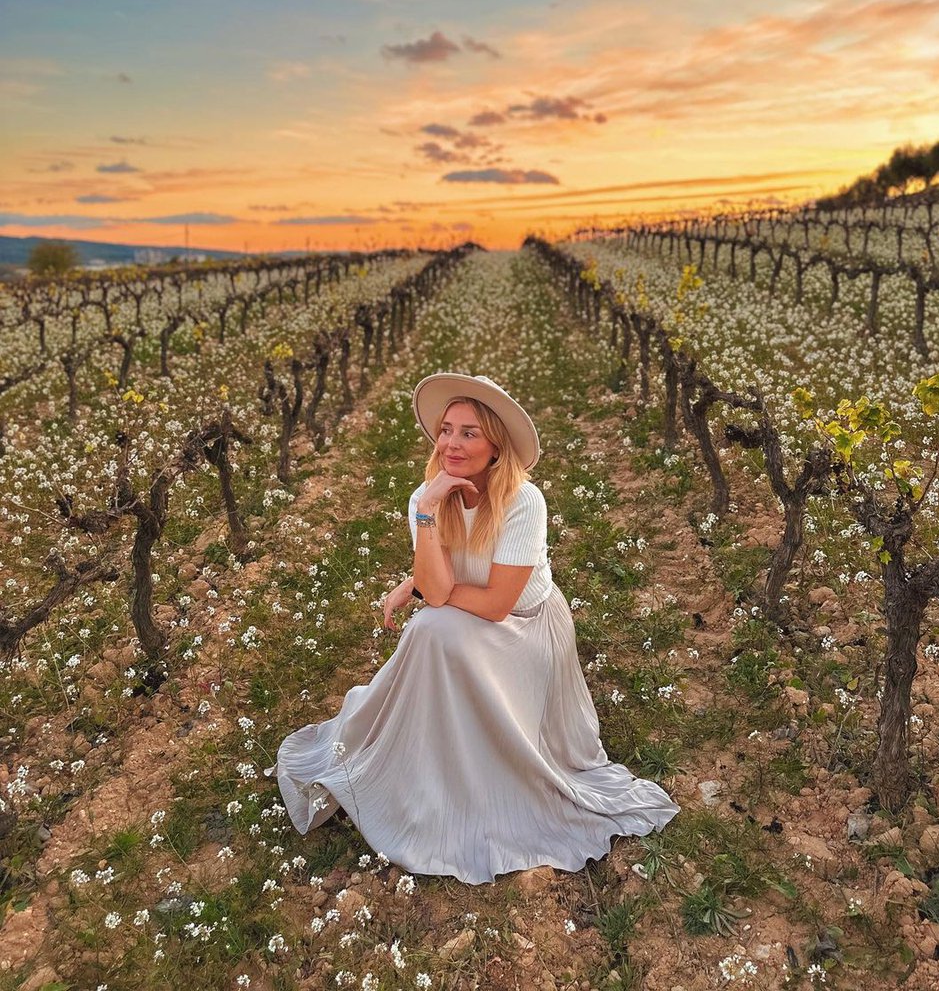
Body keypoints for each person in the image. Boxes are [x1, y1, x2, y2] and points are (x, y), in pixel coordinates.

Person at [269, 373, 680, 884]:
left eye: (469, 433)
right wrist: (424, 533)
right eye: (446, 430)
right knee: (430, 631)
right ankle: (430, 761)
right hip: (472, 616)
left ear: (494, 447)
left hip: (527, 630)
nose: (451, 443)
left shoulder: (523, 502)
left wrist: (426, 589)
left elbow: (494, 602)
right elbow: (443, 577)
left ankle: (475, 769)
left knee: (432, 629)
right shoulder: (427, 496)